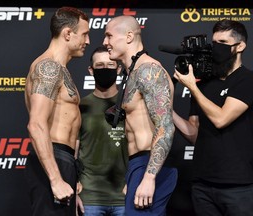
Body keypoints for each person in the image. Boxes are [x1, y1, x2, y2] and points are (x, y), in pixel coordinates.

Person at [173, 19, 253, 215]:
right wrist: (167, 111)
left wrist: (192, 86)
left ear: (240, 46)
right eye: (214, 43)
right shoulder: (204, 84)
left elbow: (221, 119)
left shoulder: (247, 80)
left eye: (223, 44)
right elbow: (193, 134)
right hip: (202, 185)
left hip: (237, 186)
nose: (217, 48)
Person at [103, 15, 178, 215]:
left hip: (149, 164)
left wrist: (149, 178)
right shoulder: (133, 72)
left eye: (109, 36)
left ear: (129, 37)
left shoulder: (148, 71)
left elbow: (165, 126)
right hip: (139, 166)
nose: (105, 42)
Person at [24, 7, 90, 216]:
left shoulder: (60, 69)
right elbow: (36, 124)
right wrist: (55, 179)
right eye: (84, 34)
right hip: (53, 160)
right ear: (68, 33)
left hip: (63, 162)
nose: (87, 41)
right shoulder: (49, 67)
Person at [76, 45, 128, 215]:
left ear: (119, 69)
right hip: (90, 197)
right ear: (91, 70)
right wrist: (73, 186)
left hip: (125, 195)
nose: (105, 69)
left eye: (110, 65)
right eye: (99, 66)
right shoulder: (80, 107)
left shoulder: (130, 105)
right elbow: (73, 151)